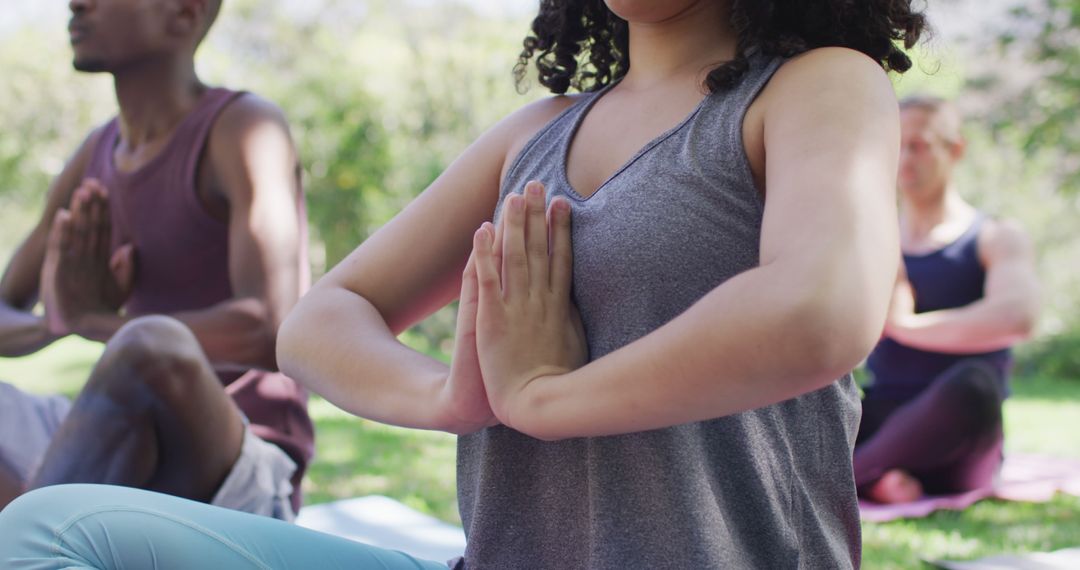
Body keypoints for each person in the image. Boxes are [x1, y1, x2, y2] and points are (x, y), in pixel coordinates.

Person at [0, 0, 925, 567]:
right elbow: (322, 319)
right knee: (52, 531)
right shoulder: (537, 132)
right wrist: (453, 395)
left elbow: (821, 309)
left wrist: (546, 396)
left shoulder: (814, 87)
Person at [0, 0, 313, 520]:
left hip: (239, 464)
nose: (76, 4)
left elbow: (276, 330)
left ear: (186, 14)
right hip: (122, 448)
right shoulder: (96, 151)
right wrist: (59, 323)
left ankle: (34, 534)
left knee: (149, 346)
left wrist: (99, 323)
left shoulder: (243, 127)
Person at [853, 96, 1040, 504]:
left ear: (955, 149)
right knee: (819, 395)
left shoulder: (996, 236)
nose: (904, 158)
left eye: (918, 145)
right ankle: (881, 476)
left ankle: (848, 480)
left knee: (974, 384)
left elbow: (1017, 317)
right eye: (897, 144)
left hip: (961, 432)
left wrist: (905, 326)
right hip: (885, 418)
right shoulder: (876, 239)